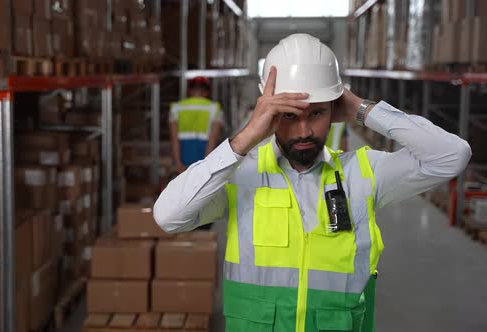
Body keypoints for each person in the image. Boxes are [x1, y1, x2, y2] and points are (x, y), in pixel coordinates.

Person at [153, 34, 471, 332]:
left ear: (334, 109)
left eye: (317, 113)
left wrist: (361, 109)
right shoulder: (240, 176)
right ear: (268, 112)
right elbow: (168, 216)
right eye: (289, 116)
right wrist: (245, 138)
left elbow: (451, 156)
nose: (304, 131)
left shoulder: (363, 174)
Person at [169, 76, 223, 174]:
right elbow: (213, 139)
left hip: (182, 158)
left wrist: (178, 163)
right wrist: (206, 164)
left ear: (189, 91)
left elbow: (174, 139)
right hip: (203, 157)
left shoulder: (176, 108)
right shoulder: (214, 108)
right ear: (207, 92)